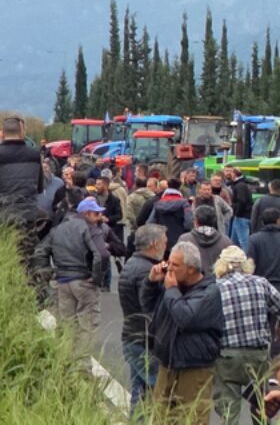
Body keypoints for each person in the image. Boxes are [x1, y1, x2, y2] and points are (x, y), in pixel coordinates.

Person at [212, 245, 280, 424]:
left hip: (227, 356)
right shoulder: (260, 283)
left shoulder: (215, 288)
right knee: (261, 404)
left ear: (220, 265)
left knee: (229, 410)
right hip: (257, 356)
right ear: (246, 265)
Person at [148, 240, 225, 425]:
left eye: (175, 265)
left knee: (191, 419)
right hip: (167, 365)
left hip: (194, 368)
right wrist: (151, 283)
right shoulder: (171, 286)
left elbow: (185, 317)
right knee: (160, 418)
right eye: (169, 263)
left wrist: (172, 290)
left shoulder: (210, 291)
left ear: (191, 269)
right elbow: (147, 306)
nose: (170, 269)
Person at [34, 197, 110, 348]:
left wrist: (47, 273)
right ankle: (82, 365)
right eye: (96, 214)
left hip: (62, 282)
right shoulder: (90, 229)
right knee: (87, 325)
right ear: (87, 213)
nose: (99, 217)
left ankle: (66, 363)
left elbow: (40, 251)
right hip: (83, 281)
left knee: (66, 326)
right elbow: (102, 255)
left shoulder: (57, 229)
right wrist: (96, 278)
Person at [118, 224, 168, 413]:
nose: (166, 244)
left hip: (133, 336)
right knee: (158, 391)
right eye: (164, 241)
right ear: (155, 244)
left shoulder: (132, 263)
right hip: (144, 340)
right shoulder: (146, 271)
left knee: (140, 392)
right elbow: (148, 306)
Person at [0, 115, 43, 267]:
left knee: (5, 261)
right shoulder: (34, 154)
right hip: (27, 217)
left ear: (2, 134)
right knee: (26, 260)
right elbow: (39, 187)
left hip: (3, 218)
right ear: (22, 133)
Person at [176, 205, 233, 274]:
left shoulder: (184, 240)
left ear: (196, 220)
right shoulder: (226, 242)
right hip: (218, 281)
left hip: (192, 281)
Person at [146, 185, 193, 250]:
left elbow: (150, 223)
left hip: (161, 241)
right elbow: (188, 223)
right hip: (179, 240)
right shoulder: (184, 203)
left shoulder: (158, 204)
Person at [225, 166, 254, 249]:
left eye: (230, 173)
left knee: (244, 242)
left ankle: (247, 259)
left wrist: (236, 212)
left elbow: (241, 201)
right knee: (233, 242)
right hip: (241, 216)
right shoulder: (243, 184)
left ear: (234, 174)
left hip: (241, 217)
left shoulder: (240, 186)